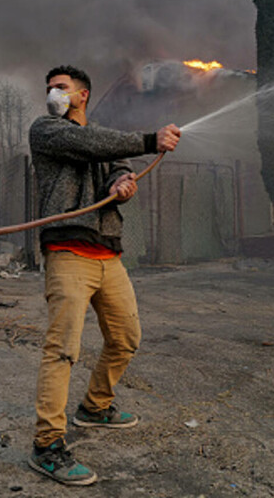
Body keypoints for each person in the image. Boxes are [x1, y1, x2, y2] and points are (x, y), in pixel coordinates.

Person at [26, 65, 180, 486]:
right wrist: (150, 140)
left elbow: (114, 165)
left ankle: (95, 406)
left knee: (126, 337)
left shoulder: (105, 141)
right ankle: (47, 446)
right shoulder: (47, 130)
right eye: (49, 87)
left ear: (83, 95)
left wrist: (122, 183)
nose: (52, 94)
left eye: (60, 87)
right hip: (68, 251)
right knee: (62, 350)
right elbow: (87, 143)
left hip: (108, 254)